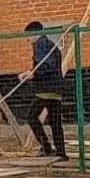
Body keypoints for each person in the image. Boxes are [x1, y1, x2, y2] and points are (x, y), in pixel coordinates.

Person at [20, 21, 68, 159]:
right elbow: (48, 64)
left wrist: (32, 74)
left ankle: (46, 148)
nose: (28, 40)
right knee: (55, 123)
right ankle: (61, 153)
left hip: (46, 89)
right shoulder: (52, 45)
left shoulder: (40, 44)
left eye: (28, 37)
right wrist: (30, 72)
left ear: (34, 33)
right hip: (56, 89)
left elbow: (44, 65)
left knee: (31, 117)